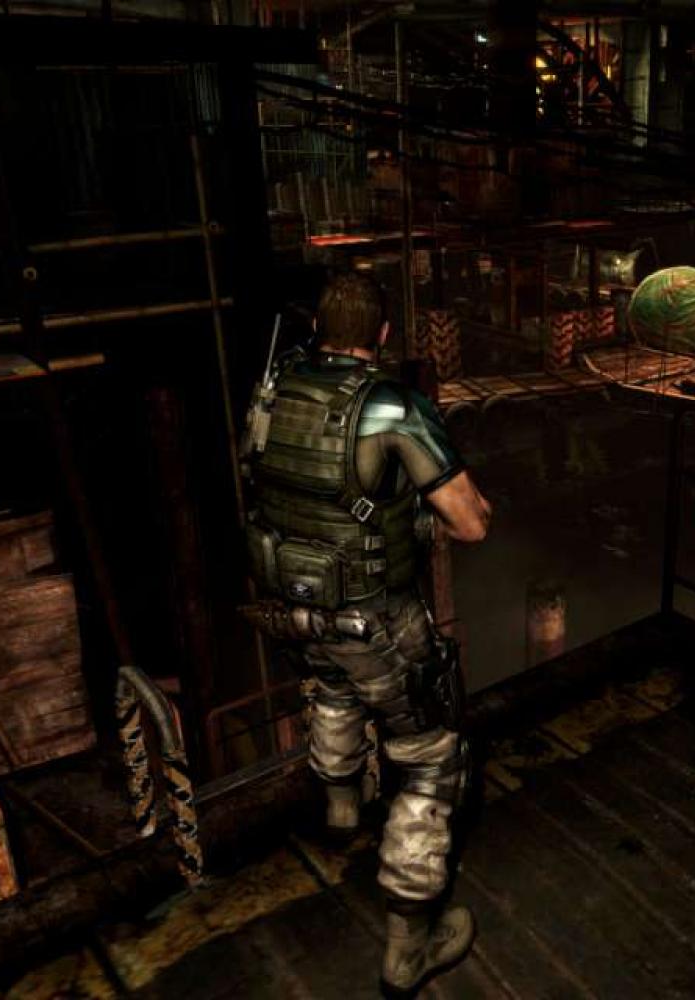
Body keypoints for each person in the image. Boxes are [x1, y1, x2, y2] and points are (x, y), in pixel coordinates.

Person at [243, 271, 491, 996]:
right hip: (374, 616)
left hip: (293, 609)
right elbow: (470, 524)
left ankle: (342, 807)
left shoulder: (273, 392)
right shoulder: (391, 406)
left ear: (319, 329)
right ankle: (409, 947)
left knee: (332, 688)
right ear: (382, 335)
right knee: (431, 760)